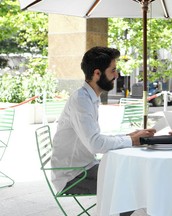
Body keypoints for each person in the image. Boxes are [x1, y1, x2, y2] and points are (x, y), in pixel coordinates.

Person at [50, 46, 156, 216]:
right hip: (73, 176)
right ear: (97, 73)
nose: (117, 75)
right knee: (129, 183)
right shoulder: (81, 100)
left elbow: (95, 139)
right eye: (113, 70)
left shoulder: (90, 97)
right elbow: (96, 144)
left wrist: (130, 136)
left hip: (85, 167)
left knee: (134, 176)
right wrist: (131, 140)